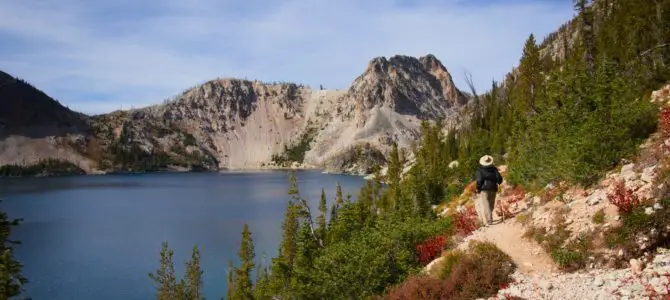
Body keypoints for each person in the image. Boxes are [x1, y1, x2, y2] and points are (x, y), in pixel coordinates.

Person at [475, 155, 503, 226]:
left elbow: (479, 180)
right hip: (493, 188)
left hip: (484, 189)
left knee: (486, 205)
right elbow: (499, 179)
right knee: (491, 204)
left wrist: (478, 189)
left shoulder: (480, 170)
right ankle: (489, 219)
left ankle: (489, 221)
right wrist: (498, 182)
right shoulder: (494, 169)